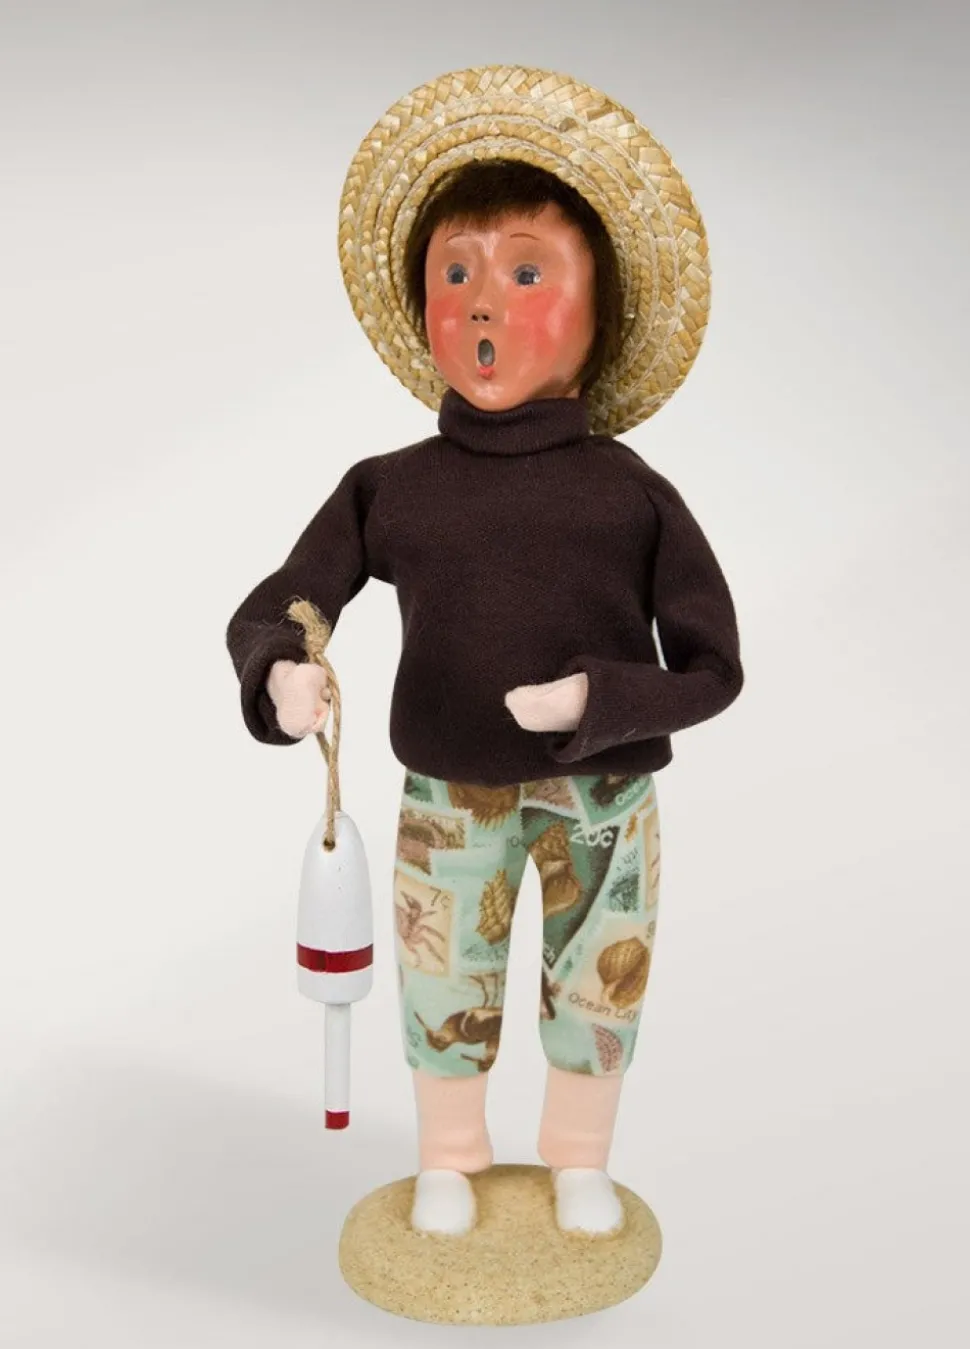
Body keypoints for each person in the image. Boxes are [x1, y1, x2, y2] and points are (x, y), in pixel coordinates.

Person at [226, 67, 743, 1239]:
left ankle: (579, 1158)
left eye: (526, 273)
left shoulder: (631, 495)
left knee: (600, 969)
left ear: (599, 316)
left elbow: (713, 667)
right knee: (442, 969)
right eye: (455, 273)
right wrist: (281, 668)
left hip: (603, 791)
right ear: (422, 306)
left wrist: (597, 700)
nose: (482, 304)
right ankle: (449, 1155)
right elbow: (291, 594)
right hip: (447, 791)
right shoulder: (391, 488)